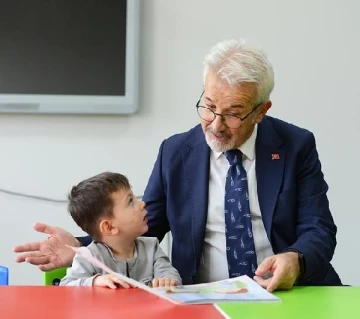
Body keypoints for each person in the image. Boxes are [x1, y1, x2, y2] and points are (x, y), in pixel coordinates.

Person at [14, 39, 341, 292]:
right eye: (209, 106)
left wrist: (295, 261)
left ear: (260, 110)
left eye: (232, 113)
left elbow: (319, 229)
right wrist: (82, 248)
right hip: (201, 297)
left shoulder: (295, 145)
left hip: (283, 292)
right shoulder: (176, 152)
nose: (215, 124)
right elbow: (145, 224)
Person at [59, 171, 181, 288]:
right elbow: (66, 286)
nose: (142, 204)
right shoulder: (89, 257)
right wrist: (95, 281)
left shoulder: (151, 247)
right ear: (109, 227)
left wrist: (167, 279)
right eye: (130, 202)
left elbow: (169, 272)